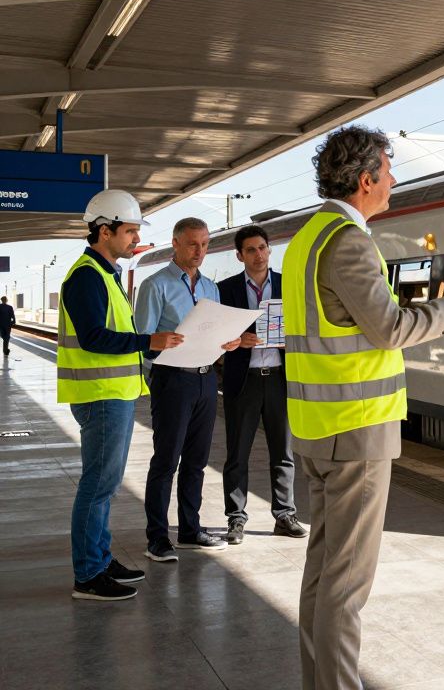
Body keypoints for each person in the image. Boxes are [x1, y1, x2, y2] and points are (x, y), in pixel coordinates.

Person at [288, 126, 444, 689]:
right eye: (389, 171)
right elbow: (389, 328)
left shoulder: (307, 238)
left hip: (318, 426)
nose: (394, 182)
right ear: (365, 180)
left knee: (323, 573)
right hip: (355, 429)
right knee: (347, 586)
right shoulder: (348, 240)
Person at [57, 189, 183, 600]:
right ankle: (88, 575)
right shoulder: (86, 277)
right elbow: (94, 337)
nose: (134, 239)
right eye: (129, 231)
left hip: (114, 394)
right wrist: (151, 340)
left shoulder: (105, 275)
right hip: (101, 396)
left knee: (105, 485)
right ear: (104, 231)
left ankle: (100, 557)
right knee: (97, 485)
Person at [135, 217, 241, 562]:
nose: (200, 251)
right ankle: (157, 538)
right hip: (172, 380)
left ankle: (190, 531)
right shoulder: (155, 285)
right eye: (193, 244)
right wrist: (160, 345)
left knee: (196, 460)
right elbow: (143, 340)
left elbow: (215, 333)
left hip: (206, 378)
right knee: (166, 461)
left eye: (206, 244)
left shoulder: (211, 288)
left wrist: (230, 342)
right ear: (176, 243)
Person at [217, 225, 306, 545]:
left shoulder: (289, 286)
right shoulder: (224, 290)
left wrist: (289, 342)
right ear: (239, 255)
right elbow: (212, 335)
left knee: (283, 452)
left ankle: (285, 515)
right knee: (237, 453)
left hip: (280, 380)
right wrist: (237, 341)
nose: (258, 255)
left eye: (263, 248)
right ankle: (236, 519)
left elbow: (307, 329)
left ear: (270, 250)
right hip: (244, 381)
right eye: (251, 250)